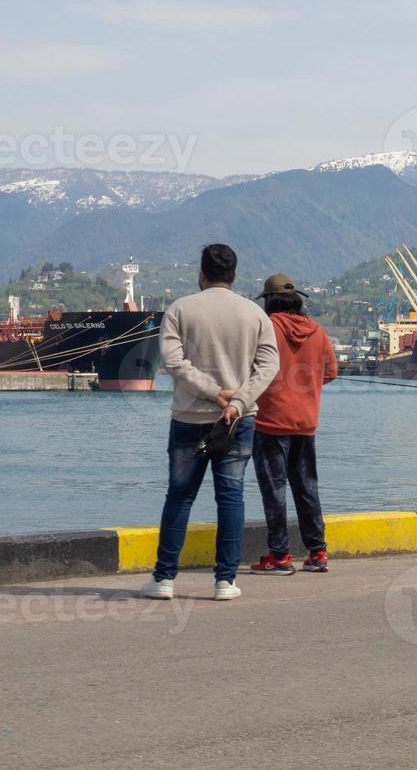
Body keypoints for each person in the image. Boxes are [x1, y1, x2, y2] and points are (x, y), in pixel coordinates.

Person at [143, 244, 279, 601]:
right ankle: (225, 581)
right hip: (237, 420)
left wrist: (212, 391)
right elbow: (268, 367)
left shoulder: (180, 309)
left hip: (189, 418)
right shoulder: (255, 314)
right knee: (231, 497)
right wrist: (236, 401)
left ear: (201, 274)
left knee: (180, 496)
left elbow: (173, 363)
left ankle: (164, 579)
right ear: (234, 275)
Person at [248, 273, 338, 575]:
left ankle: (280, 556)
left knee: (274, 489)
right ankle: (318, 552)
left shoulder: (266, 327)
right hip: (306, 422)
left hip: (270, 422)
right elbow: (330, 373)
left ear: (269, 301)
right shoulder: (317, 330)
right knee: (307, 487)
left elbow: (250, 369)